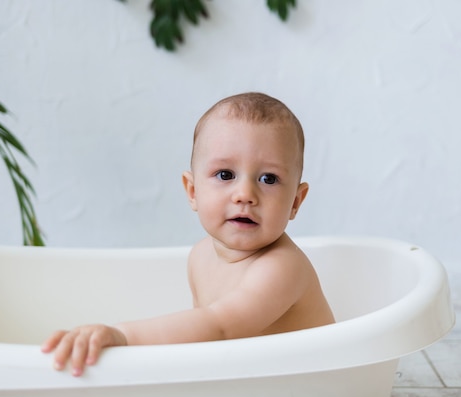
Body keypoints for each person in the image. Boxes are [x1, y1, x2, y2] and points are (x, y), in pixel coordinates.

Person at [41, 92, 335, 377]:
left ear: (295, 202)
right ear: (192, 191)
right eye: (225, 175)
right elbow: (203, 342)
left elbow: (220, 327)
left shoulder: (282, 267)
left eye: (268, 179)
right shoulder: (200, 256)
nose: (245, 194)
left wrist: (122, 335)